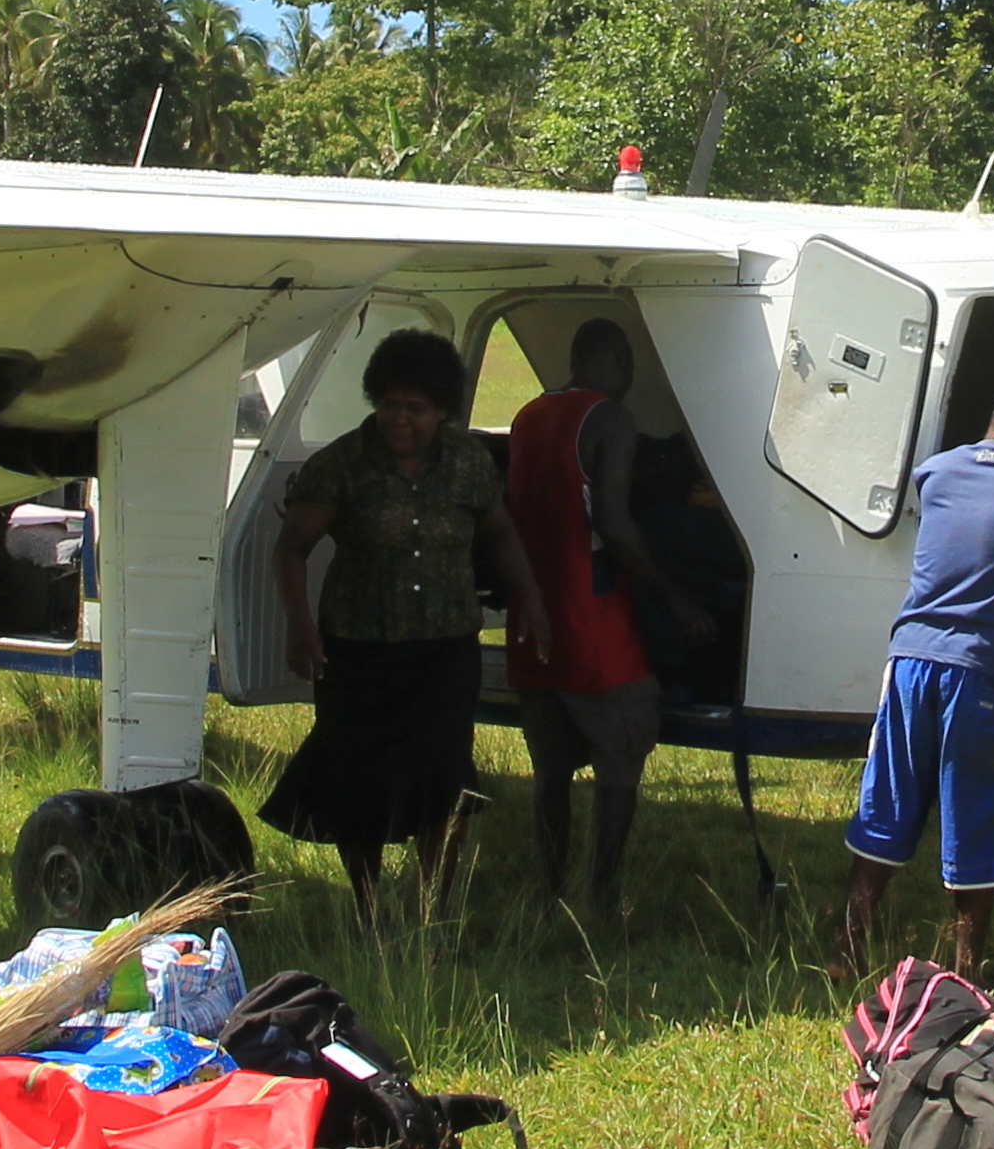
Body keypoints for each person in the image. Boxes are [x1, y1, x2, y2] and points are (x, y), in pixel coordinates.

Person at [262, 328, 549, 919]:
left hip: (445, 650)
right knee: (356, 780)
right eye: (389, 405)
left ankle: (433, 909)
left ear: (442, 410)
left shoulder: (468, 463)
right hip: (358, 651)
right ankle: (368, 905)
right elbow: (292, 548)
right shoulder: (339, 465)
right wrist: (300, 629)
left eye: (415, 409)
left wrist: (532, 601)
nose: (400, 420)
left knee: (445, 783)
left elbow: (498, 534)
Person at [840, 379, 994, 985]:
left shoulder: (936, 472)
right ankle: (969, 968)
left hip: (910, 659)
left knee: (886, 803)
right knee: (978, 817)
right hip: (981, 672)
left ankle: (847, 946)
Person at [502, 318, 714, 914]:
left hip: (532, 618)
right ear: (618, 362)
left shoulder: (528, 414)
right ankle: (601, 892)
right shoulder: (612, 418)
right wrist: (675, 598)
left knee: (551, 770)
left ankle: (550, 887)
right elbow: (613, 521)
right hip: (591, 619)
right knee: (619, 760)